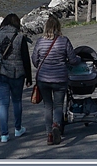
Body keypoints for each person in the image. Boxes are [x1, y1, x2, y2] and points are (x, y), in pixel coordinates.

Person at [31, 14, 81, 145]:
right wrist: (78, 60)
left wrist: (43, 65)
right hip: (60, 79)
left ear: (46, 27)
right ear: (58, 27)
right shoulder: (64, 41)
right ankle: (56, 125)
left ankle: (49, 134)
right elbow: (73, 60)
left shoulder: (40, 42)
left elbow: (35, 60)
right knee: (58, 105)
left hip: (43, 79)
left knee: (48, 105)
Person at [0, 13, 33, 143]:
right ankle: (18, 128)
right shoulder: (20, 37)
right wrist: (29, 78)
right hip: (17, 74)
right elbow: (25, 59)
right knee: (17, 101)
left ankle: (4, 134)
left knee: (3, 103)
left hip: (0, 74)